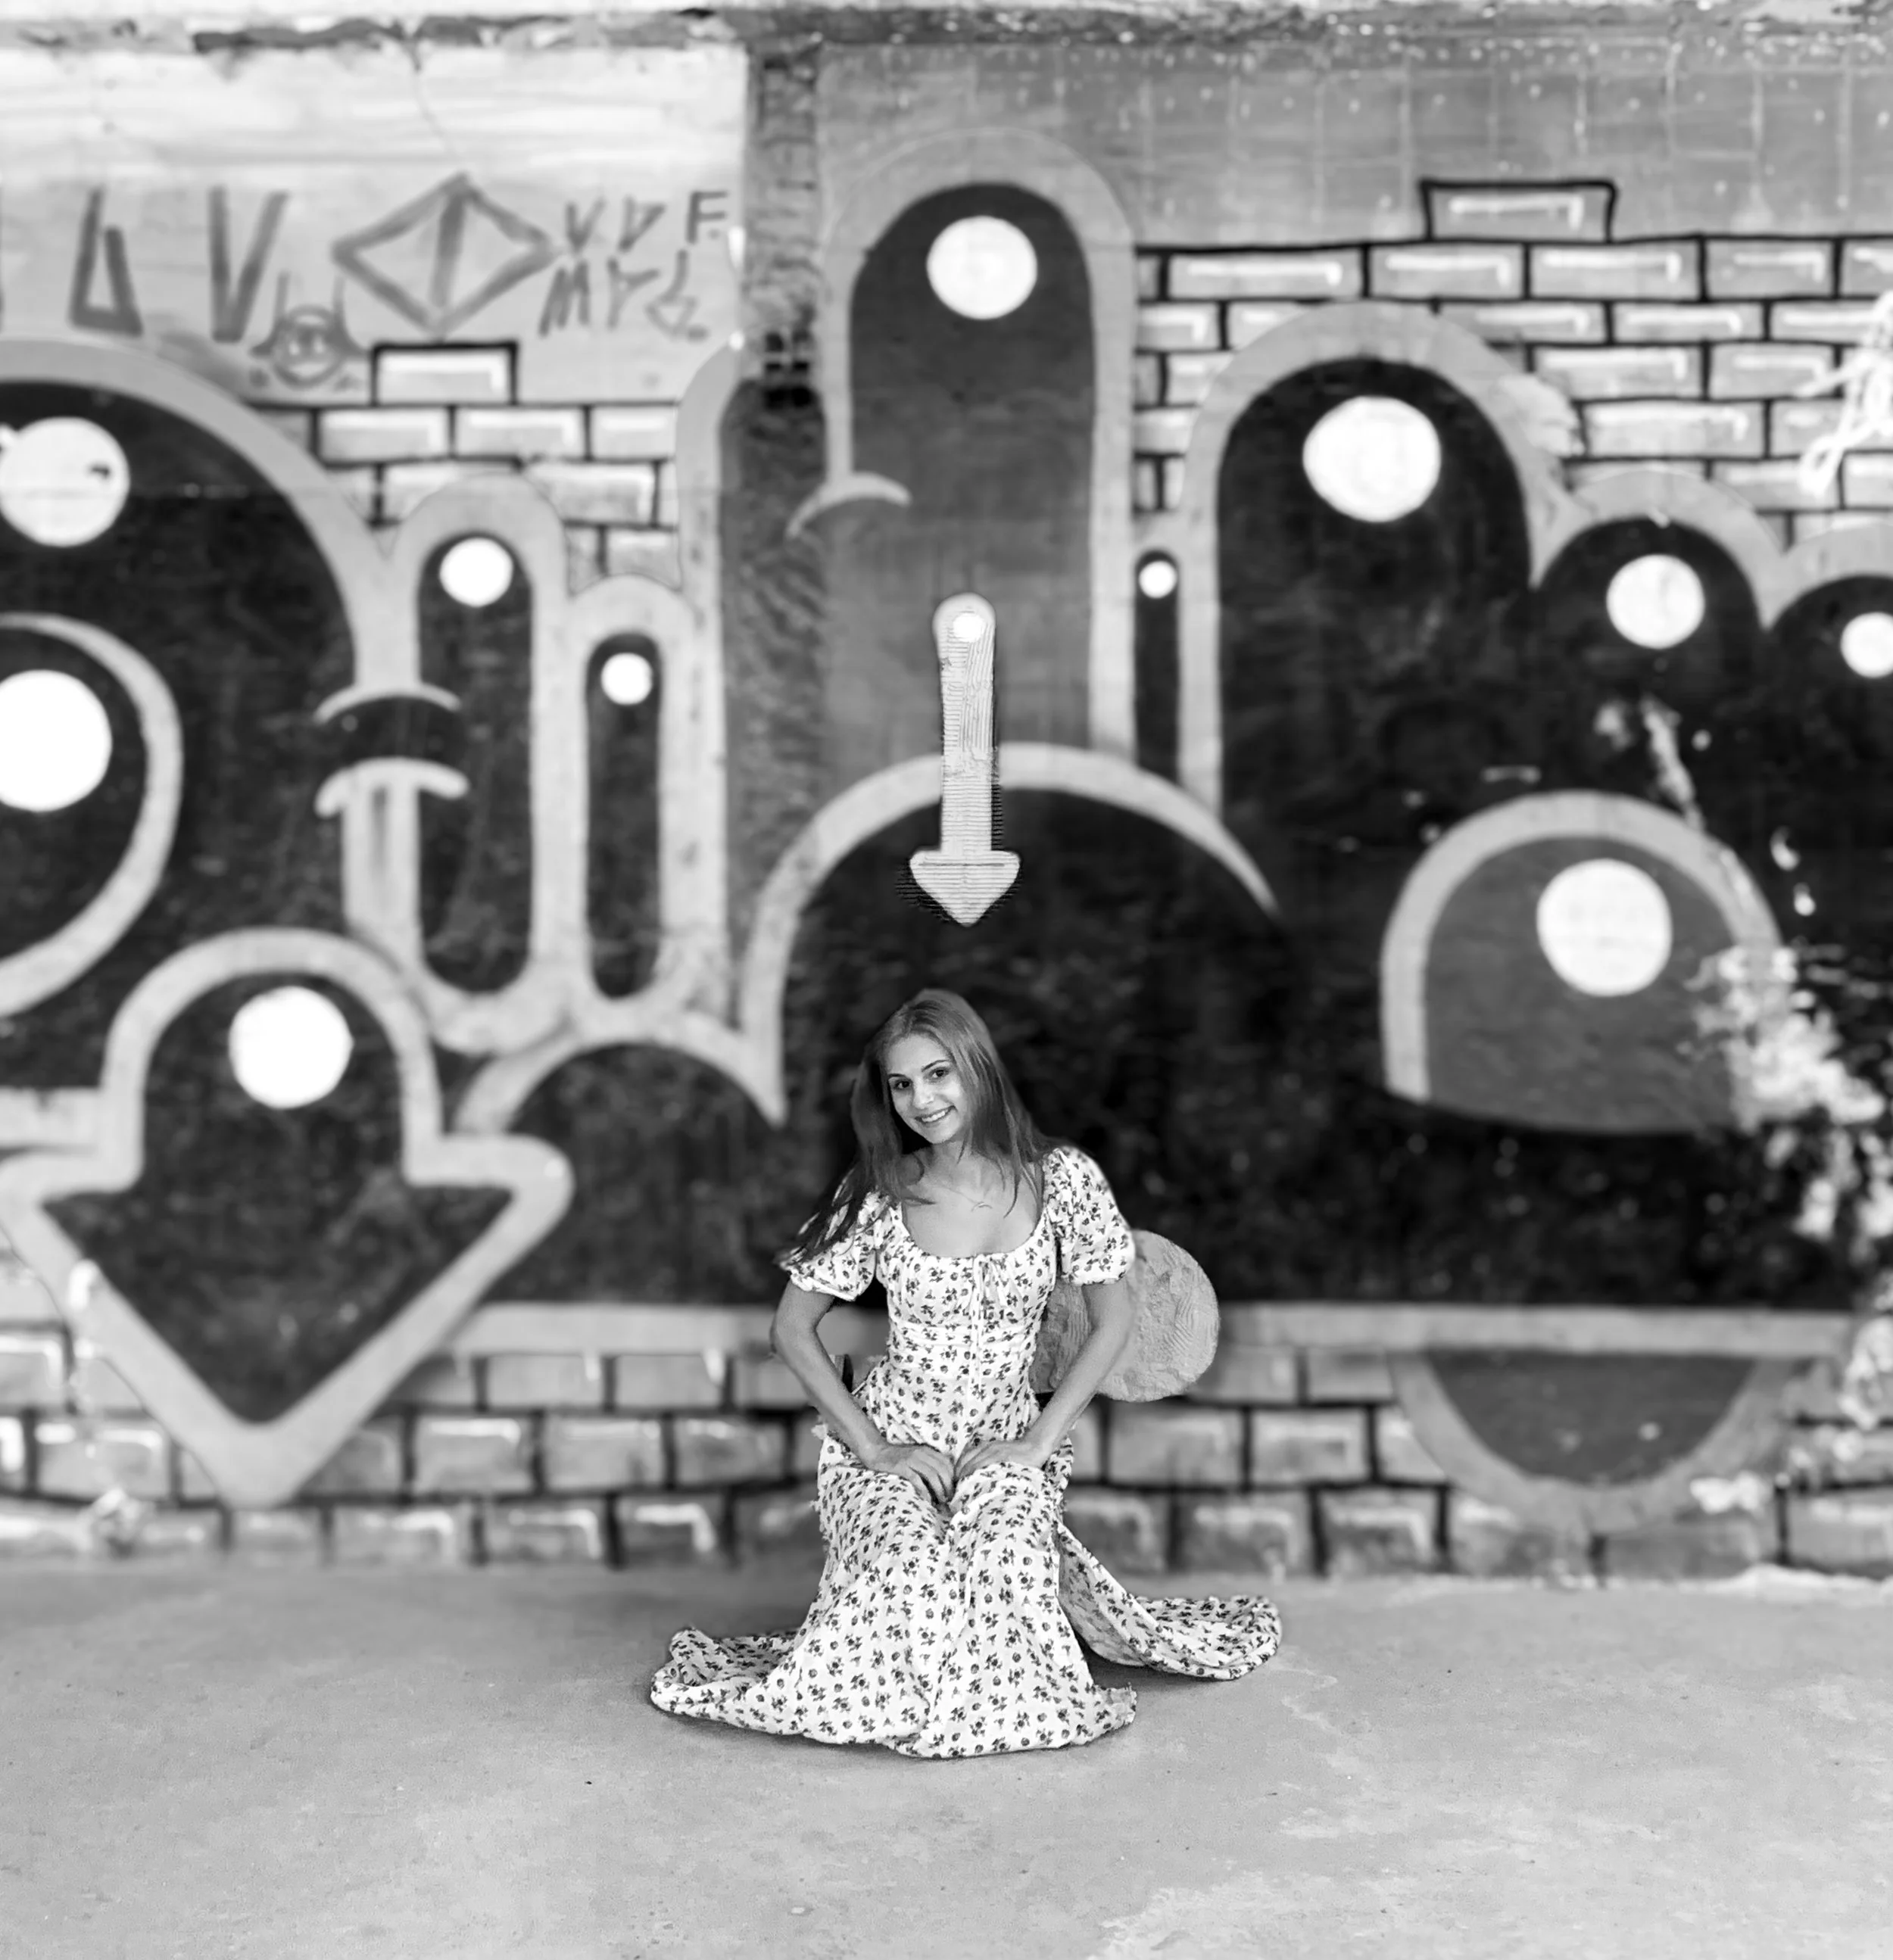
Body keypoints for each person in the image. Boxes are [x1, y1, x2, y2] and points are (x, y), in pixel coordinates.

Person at [650, 987, 1281, 1757]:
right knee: (909, 1567)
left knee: (1006, 1561)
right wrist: (874, 1449)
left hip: (1006, 1433)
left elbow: (1113, 1318)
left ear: (977, 1068)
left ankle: (977, 1679)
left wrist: (1038, 1443)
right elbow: (790, 1328)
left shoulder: (1062, 1181)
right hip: (895, 1429)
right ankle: (891, 1660)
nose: (922, 1100)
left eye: (938, 1074)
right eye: (901, 1084)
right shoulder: (881, 1191)